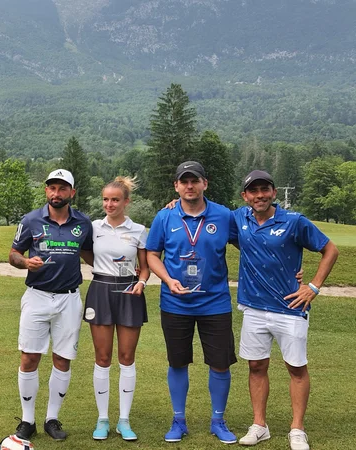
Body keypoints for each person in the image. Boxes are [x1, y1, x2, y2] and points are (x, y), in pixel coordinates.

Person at [233, 171, 338, 450]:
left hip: (290, 307)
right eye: (253, 191)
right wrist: (175, 203)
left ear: (274, 192)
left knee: (296, 368)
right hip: (253, 307)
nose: (259, 195)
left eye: (264, 189)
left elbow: (330, 250)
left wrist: (313, 287)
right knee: (256, 366)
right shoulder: (238, 219)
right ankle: (259, 425)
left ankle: (297, 429)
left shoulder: (294, 221)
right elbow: (206, 213)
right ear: (245, 196)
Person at [145, 161, 239, 444]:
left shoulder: (225, 216)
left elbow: (252, 242)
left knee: (220, 364)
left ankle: (218, 420)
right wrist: (167, 280)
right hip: (175, 303)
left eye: (194, 180)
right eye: (184, 181)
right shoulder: (165, 216)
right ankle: (179, 420)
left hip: (216, 303)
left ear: (204, 184)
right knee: (177, 363)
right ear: (176, 186)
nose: (189, 186)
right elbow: (151, 254)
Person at [9, 169, 93, 442]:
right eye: (52, 188)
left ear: (72, 192)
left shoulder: (83, 223)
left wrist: (124, 267)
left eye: (62, 188)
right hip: (37, 296)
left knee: (62, 358)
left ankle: (52, 419)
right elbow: (13, 254)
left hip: (69, 298)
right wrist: (25, 263)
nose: (56, 193)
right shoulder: (31, 220)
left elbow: (91, 255)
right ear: (46, 191)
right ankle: (27, 420)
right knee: (29, 357)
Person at [84, 176, 150, 441]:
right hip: (100, 290)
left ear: (126, 202)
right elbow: (86, 253)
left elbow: (144, 266)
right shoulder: (92, 227)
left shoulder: (139, 230)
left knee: (126, 357)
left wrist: (142, 282)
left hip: (129, 292)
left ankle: (124, 420)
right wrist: (102, 268)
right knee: (102, 358)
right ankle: (103, 419)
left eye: (115, 200)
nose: (109, 204)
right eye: (105, 199)